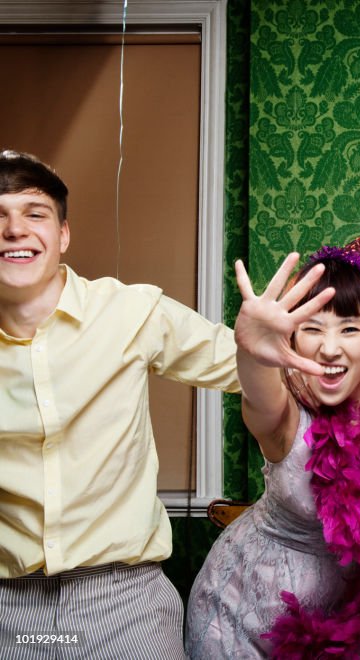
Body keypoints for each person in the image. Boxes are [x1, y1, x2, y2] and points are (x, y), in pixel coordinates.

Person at [0, 150, 238, 658]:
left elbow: (246, 364)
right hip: (10, 609)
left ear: (63, 234)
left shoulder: (132, 311)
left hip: (125, 604)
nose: (14, 228)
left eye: (33, 212)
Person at [186, 212, 360, 658]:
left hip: (339, 625)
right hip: (241, 613)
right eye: (312, 329)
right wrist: (252, 354)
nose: (330, 348)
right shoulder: (289, 412)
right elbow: (261, 400)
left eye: (350, 328)